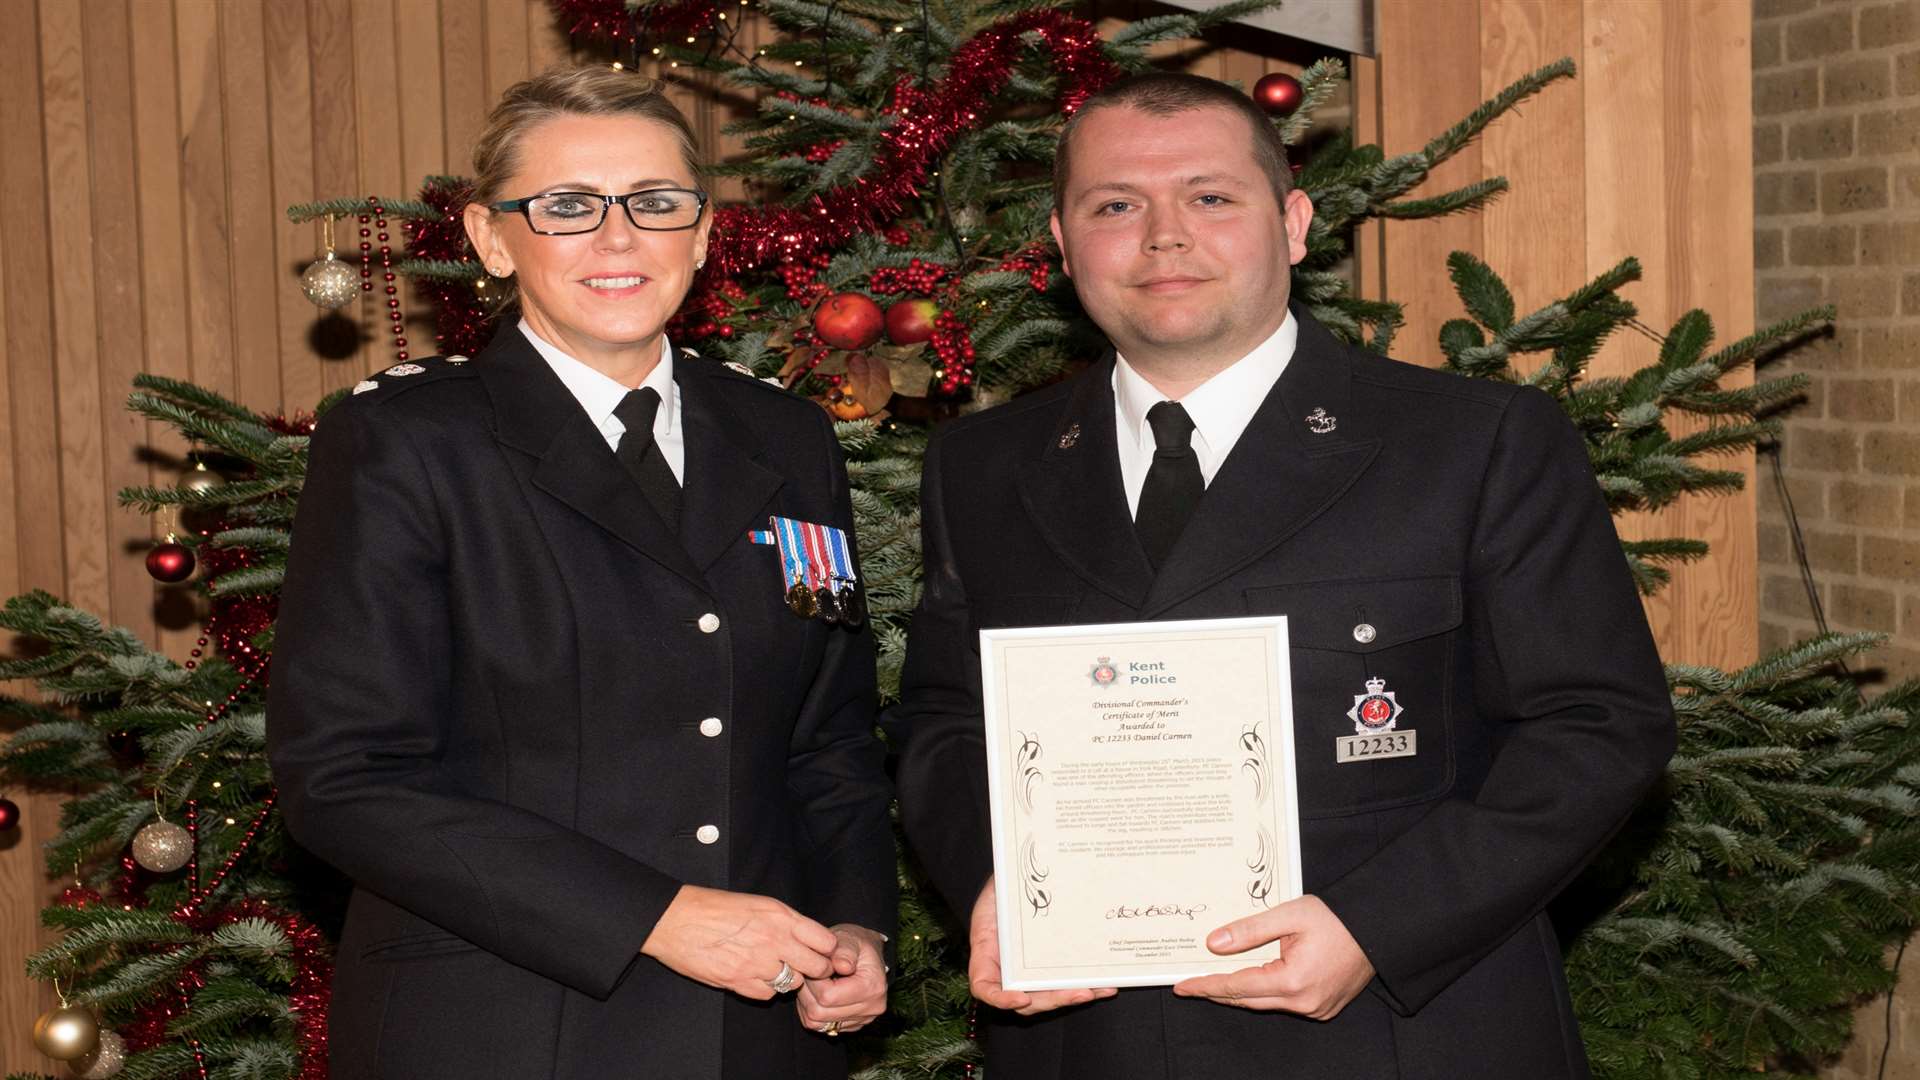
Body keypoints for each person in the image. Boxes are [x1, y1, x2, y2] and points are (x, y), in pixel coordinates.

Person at [887, 71, 1676, 1079]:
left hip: (1398, 1033)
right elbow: (947, 718)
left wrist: (1377, 927)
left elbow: (1600, 722)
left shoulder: (1473, 444)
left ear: (1294, 224)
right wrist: (996, 883)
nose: (1164, 236)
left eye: (1211, 197)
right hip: (1090, 1038)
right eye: (1115, 205)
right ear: (1061, 242)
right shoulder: (985, 466)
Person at [267, 65, 893, 1080]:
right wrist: (656, 916)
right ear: (488, 238)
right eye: (566, 207)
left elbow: (829, 740)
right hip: (501, 1026)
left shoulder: (789, 442)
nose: (618, 239)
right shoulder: (406, 445)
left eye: (654, 204)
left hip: (757, 1034)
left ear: (700, 233)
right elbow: (344, 779)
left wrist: (857, 929)